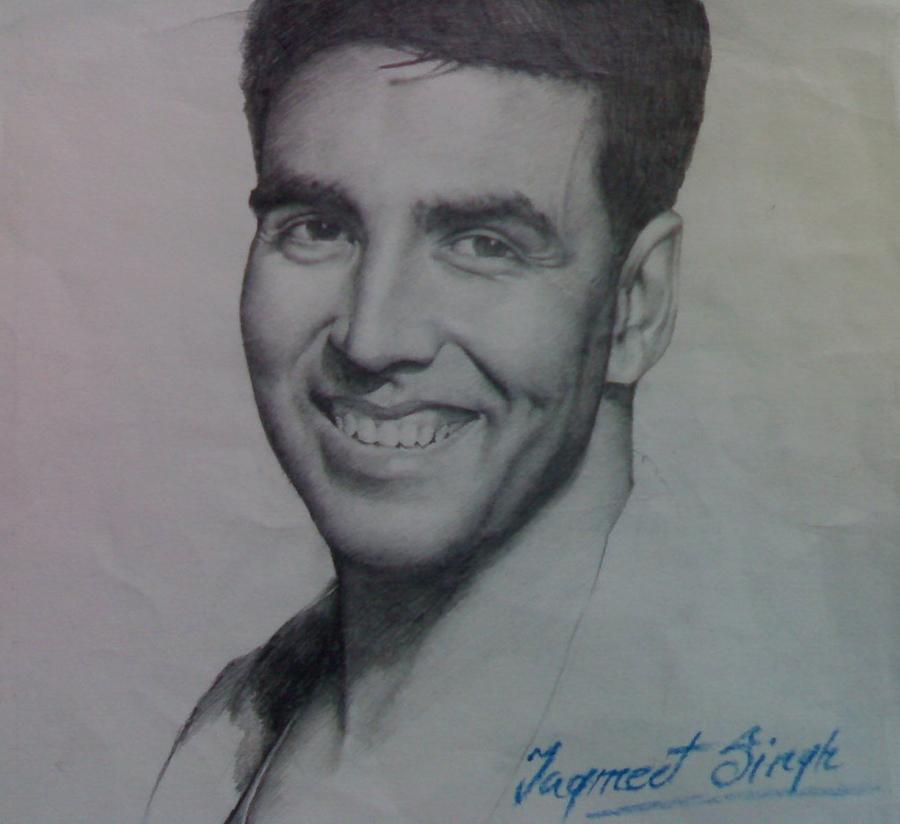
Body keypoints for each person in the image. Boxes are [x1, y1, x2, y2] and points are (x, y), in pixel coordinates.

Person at [145, 1, 711, 821]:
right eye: (317, 228)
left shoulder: (699, 742)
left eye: (483, 244)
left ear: (636, 306)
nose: (373, 339)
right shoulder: (232, 725)